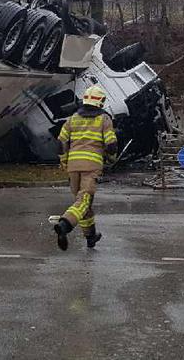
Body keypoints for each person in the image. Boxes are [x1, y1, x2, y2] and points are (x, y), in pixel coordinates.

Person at [53, 84, 117, 251]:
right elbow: (111, 145)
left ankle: (90, 237)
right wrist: (111, 159)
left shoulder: (72, 119)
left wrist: (64, 161)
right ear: (100, 102)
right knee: (84, 201)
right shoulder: (104, 119)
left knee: (83, 204)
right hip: (91, 166)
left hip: (73, 166)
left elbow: (61, 143)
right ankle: (65, 224)